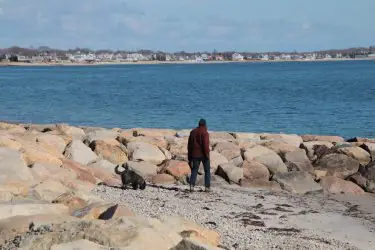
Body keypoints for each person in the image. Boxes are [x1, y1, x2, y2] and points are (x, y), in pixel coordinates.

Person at [187, 118, 211, 192]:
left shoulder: (192, 132)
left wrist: (189, 156)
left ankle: (191, 186)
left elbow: (189, 145)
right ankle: (207, 187)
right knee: (207, 171)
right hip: (203, 155)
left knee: (194, 170)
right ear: (205, 125)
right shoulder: (205, 133)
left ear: (199, 124)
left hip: (194, 155)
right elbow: (205, 145)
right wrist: (207, 155)